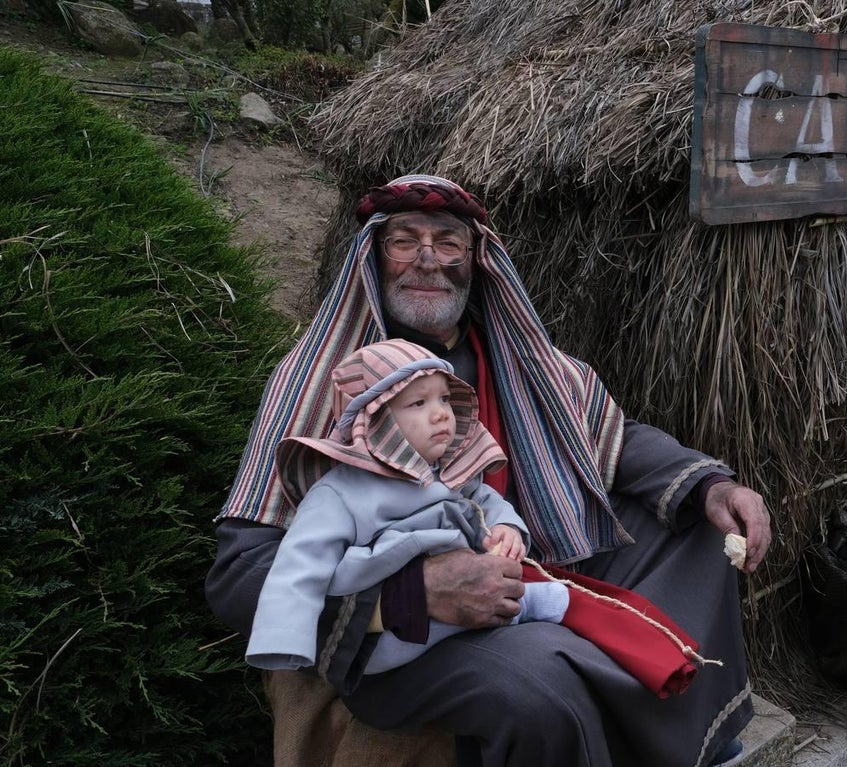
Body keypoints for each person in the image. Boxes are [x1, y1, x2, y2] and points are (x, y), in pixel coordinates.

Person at [206, 174, 773, 767]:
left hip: (528, 557)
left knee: (708, 532)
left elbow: (610, 438)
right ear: (374, 257)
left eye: (447, 242)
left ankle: (694, 748)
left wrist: (712, 484)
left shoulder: (516, 356)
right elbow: (240, 574)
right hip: (409, 625)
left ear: (475, 259)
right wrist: (417, 594)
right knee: (537, 691)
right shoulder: (325, 379)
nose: (427, 259)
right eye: (404, 240)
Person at [245, 339, 569, 674]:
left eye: (444, 398)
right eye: (418, 402)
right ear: (376, 421)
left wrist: (507, 527)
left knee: (495, 595)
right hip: (390, 630)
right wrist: (284, 637)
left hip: (461, 595)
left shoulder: (447, 470)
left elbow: (485, 501)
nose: (441, 412)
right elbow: (300, 563)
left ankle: (510, 606)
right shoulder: (341, 492)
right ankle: (515, 610)